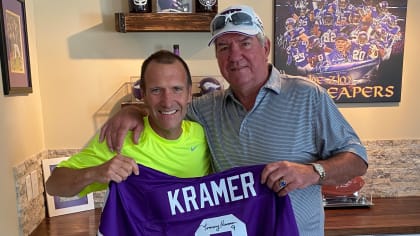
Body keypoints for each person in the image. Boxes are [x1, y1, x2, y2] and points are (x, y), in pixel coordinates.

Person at [99, 5, 368, 235]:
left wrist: (311, 172)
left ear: (265, 47)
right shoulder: (206, 108)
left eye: (244, 43)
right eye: (223, 47)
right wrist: (134, 111)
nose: (234, 55)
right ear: (217, 57)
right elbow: (169, 109)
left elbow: (357, 160)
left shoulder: (307, 95)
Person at [46, 50, 211, 197]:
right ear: (143, 95)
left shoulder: (204, 134)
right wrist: (96, 172)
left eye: (177, 89)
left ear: (189, 94)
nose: (167, 102)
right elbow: (54, 185)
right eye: (156, 90)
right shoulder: (120, 139)